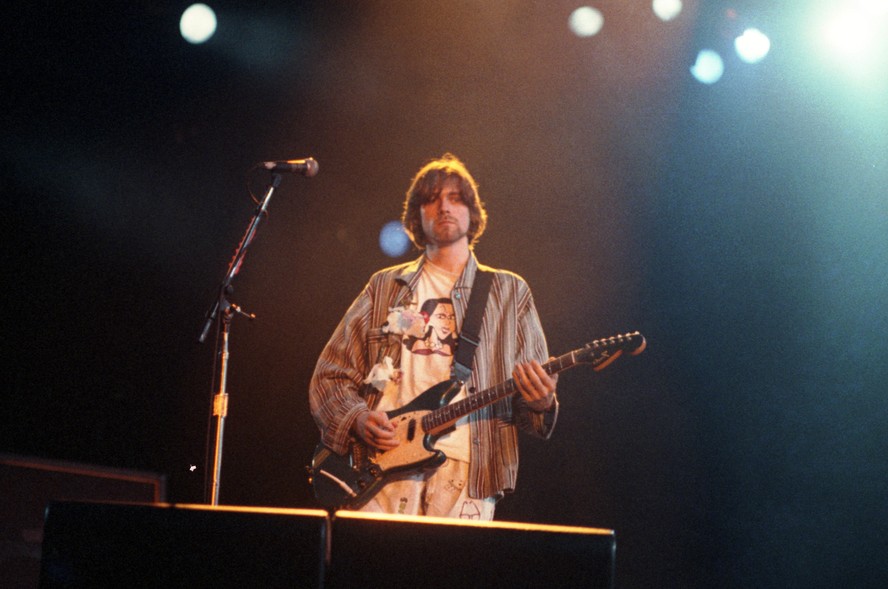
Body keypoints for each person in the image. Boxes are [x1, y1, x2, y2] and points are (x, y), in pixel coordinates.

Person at [309, 153, 558, 520]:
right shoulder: (384, 286)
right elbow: (329, 376)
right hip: (378, 467)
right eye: (432, 198)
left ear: (473, 213)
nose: (444, 206)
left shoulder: (509, 292)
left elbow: (532, 408)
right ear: (415, 217)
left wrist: (541, 402)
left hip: (467, 470)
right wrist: (359, 419)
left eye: (456, 198)